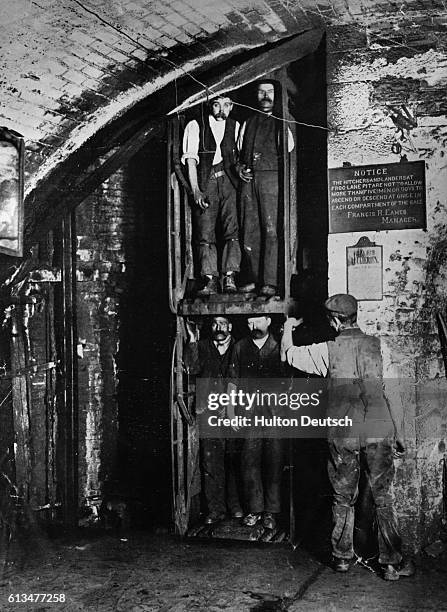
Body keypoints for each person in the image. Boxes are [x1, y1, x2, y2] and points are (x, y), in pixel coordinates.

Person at [281, 294, 414, 581]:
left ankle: (342, 557)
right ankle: (391, 563)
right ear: (355, 316)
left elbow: (288, 355)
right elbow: (393, 393)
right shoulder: (380, 347)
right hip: (378, 429)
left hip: (342, 432)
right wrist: (401, 433)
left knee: (342, 497)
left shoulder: (326, 350)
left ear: (333, 320)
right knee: (382, 497)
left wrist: (288, 328)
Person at [237, 80, 294, 297]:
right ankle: (252, 278)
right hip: (249, 182)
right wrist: (240, 168)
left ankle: (270, 281)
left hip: (271, 180)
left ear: (276, 95)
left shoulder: (283, 122)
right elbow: (239, 152)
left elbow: (289, 151)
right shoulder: (247, 123)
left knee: (271, 230)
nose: (265, 96)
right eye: (261, 92)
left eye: (269, 92)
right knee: (249, 231)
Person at [184, 316, 243, 523]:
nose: (219, 328)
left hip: (234, 411)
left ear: (231, 326)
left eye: (224, 323)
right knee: (210, 462)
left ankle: (235, 506)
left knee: (233, 460)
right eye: (215, 324)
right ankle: (215, 509)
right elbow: (191, 369)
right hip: (208, 411)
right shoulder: (202, 346)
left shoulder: (239, 347)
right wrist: (191, 339)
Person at [229, 315, 284, 530]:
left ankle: (271, 512)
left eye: (258, 321)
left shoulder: (279, 345)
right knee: (249, 461)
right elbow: (232, 381)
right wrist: (231, 411)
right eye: (250, 322)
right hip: (249, 412)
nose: (254, 326)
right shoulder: (241, 346)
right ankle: (255, 509)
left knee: (274, 462)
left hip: (275, 414)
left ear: (268, 320)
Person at [182, 95, 241, 296]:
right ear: (210, 106)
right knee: (205, 232)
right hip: (207, 181)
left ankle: (229, 276)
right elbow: (191, 160)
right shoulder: (195, 125)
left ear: (231, 106)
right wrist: (196, 189)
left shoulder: (236, 126)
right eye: (216, 104)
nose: (221, 109)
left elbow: (240, 156)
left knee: (231, 230)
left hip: (229, 181)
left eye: (226, 105)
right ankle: (210, 279)